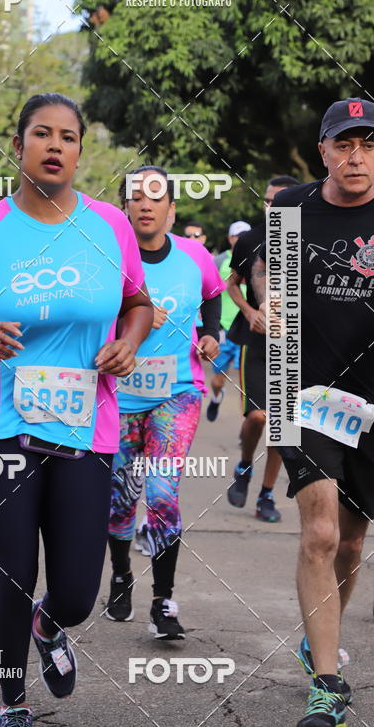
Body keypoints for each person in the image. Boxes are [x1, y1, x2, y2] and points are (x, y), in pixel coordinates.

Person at [0, 93, 153, 727]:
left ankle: (53, 625)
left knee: (77, 588)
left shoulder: (110, 227)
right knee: (12, 573)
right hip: (4, 429)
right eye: (41, 134)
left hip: (87, 428)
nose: (55, 146)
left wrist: (128, 343)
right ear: (17, 146)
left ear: (79, 151)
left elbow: (139, 302)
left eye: (68, 137)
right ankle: (12, 705)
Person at [253, 97, 374, 727]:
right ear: (323, 149)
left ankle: (316, 639)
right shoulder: (292, 208)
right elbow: (264, 271)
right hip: (301, 384)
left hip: (372, 399)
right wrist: (268, 301)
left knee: (352, 542)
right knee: (321, 532)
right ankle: (328, 684)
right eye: (344, 144)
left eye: (370, 145)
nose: (357, 157)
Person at [105, 166, 225, 638]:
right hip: (119, 397)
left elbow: (213, 294)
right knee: (120, 501)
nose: (147, 204)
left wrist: (212, 334)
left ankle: (163, 601)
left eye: (157, 197)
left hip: (177, 394)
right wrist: (130, 316)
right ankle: (119, 576)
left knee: (160, 494)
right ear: (126, 208)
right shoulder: (108, 258)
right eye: (137, 196)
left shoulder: (195, 257)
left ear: (171, 210)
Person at [225, 175, 299, 522]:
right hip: (255, 342)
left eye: (281, 201)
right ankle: (244, 466)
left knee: (284, 427)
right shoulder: (250, 240)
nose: (273, 207)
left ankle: (266, 496)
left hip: (294, 345)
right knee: (257, 416)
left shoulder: (308, 239)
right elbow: (232, 284)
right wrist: (250, 311)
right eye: (269, 201)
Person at [206, 220, 251, 421]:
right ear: (230, 238)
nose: (241, 240)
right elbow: (208, 289)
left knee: (247, 383)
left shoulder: (258, 259)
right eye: (237, 236)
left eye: (245, 237)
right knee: (218, 379)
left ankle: (248, 425)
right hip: (224, 327)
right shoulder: (220, 261)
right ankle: (216, 398)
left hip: (246, 328)